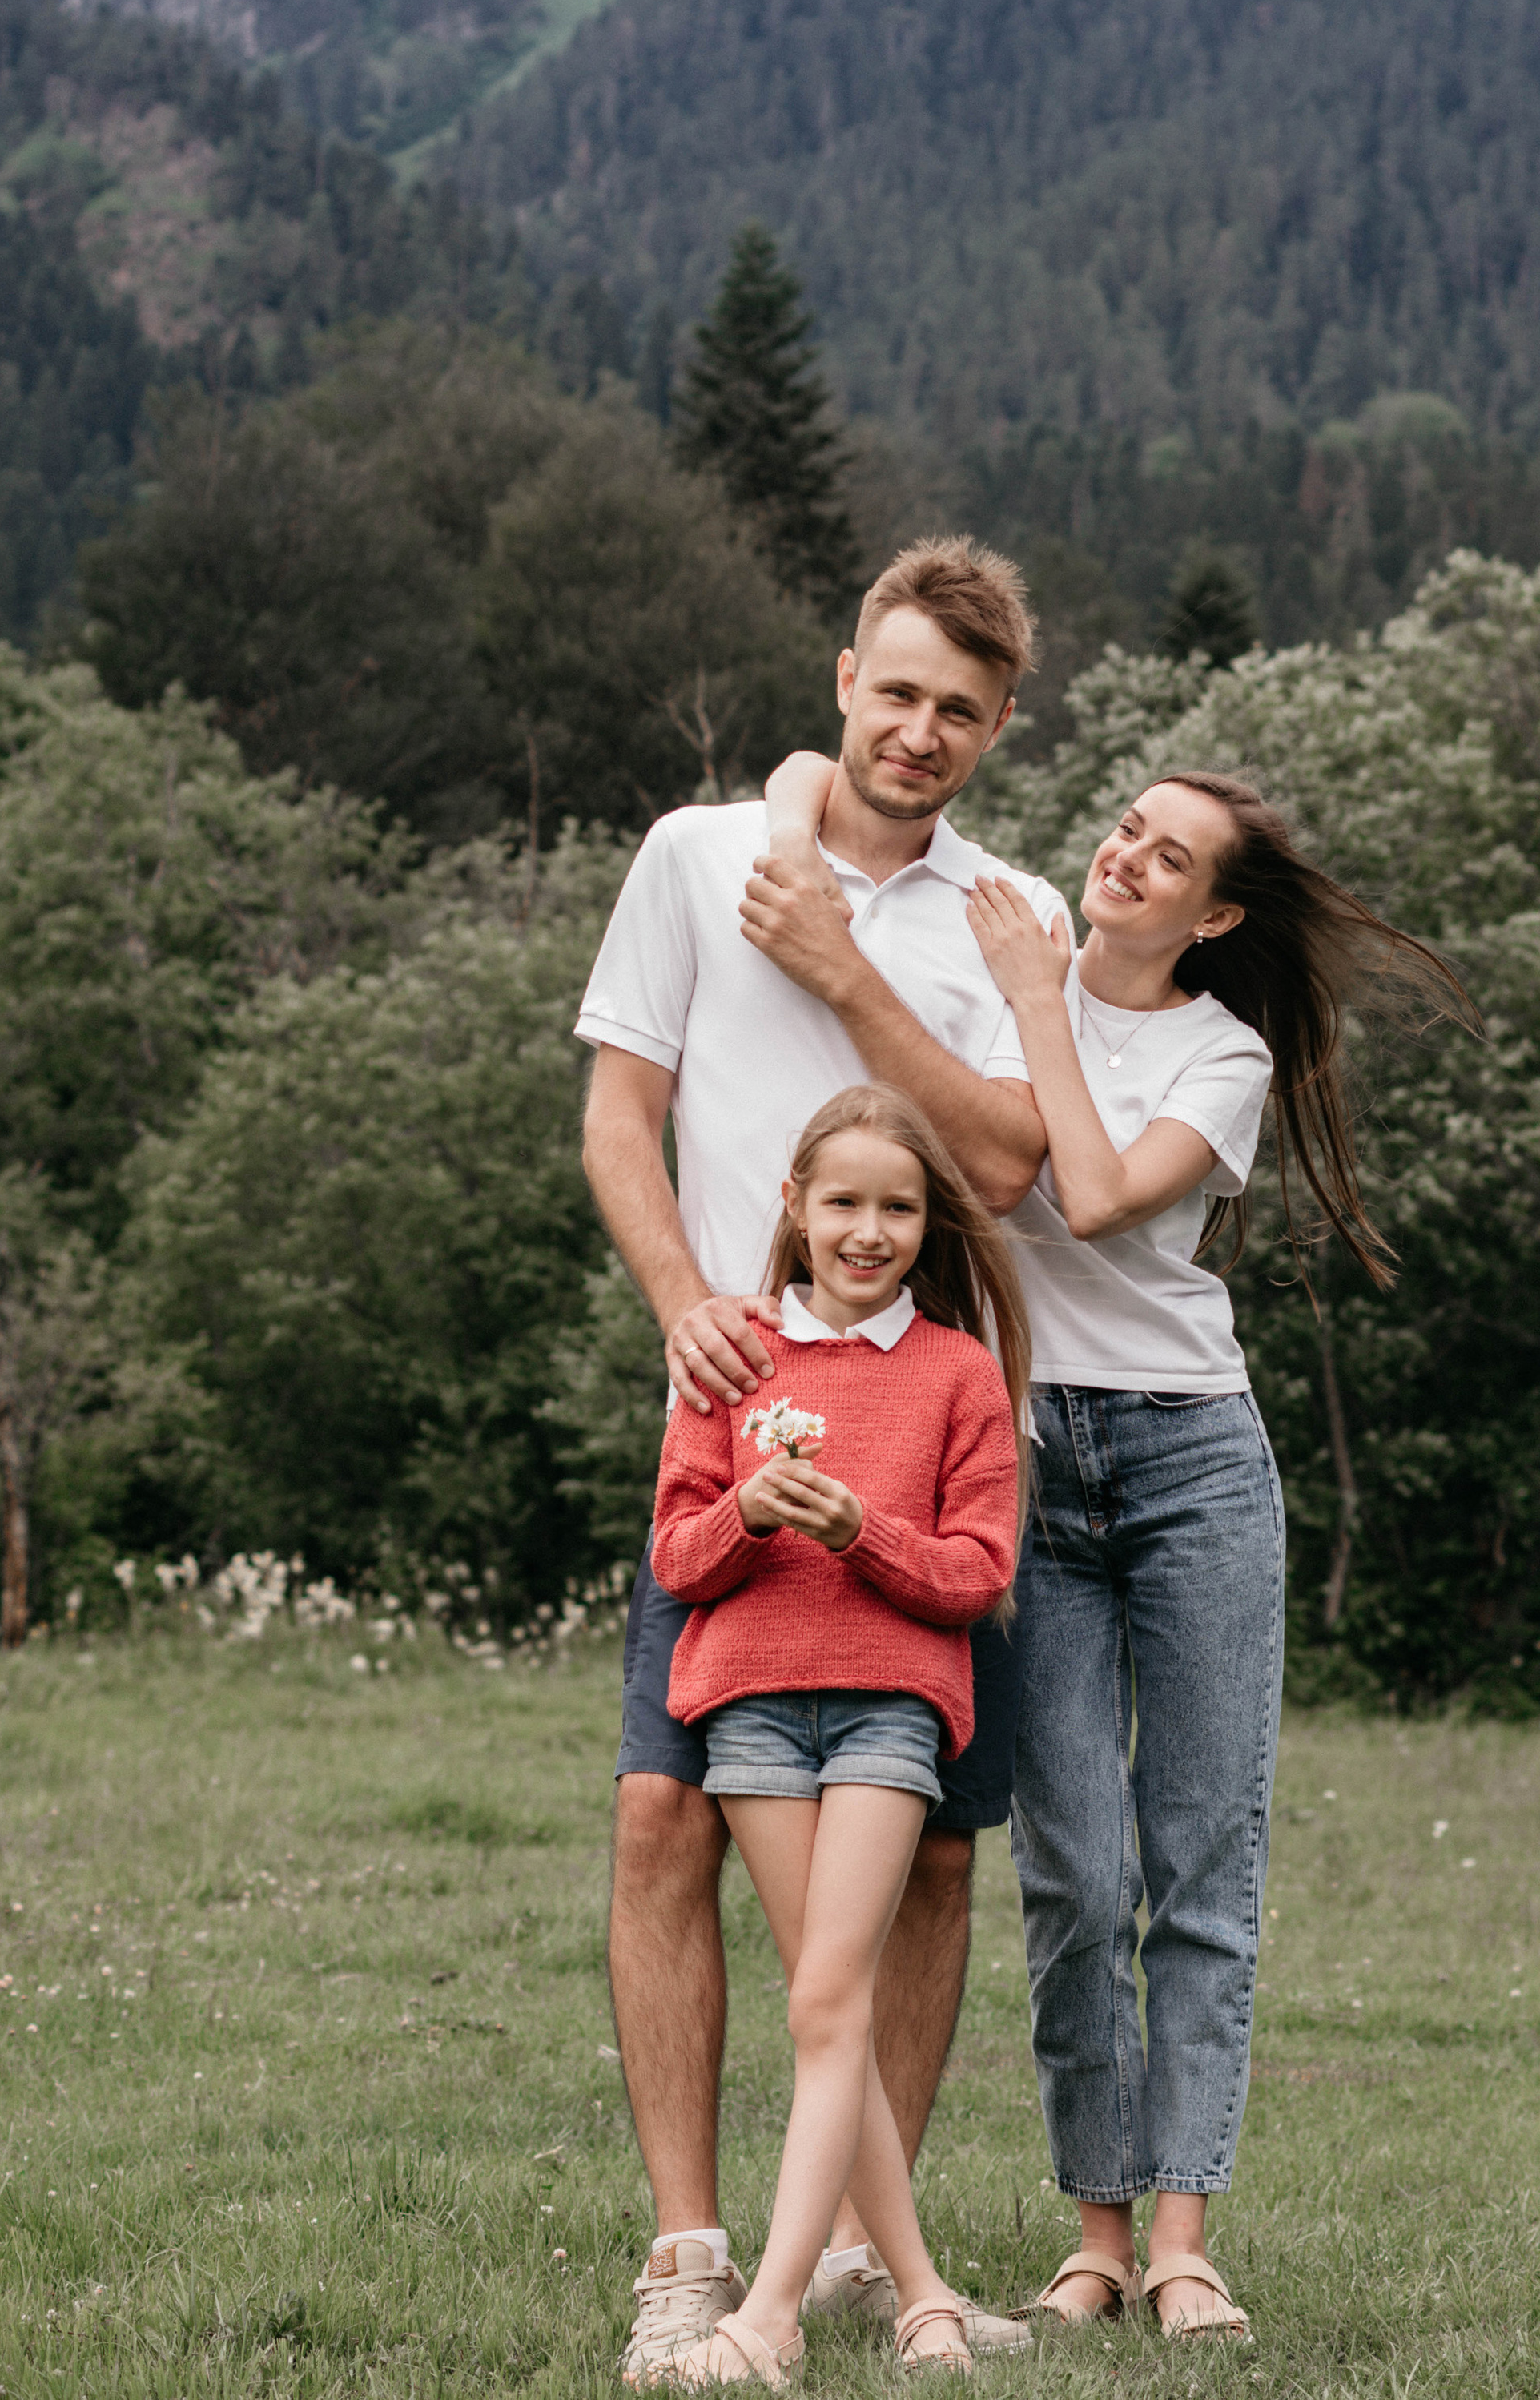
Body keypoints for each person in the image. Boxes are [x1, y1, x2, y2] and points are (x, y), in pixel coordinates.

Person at [576, 536, 1066, 2382]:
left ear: (998, 726)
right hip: (736, 1421)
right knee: (658, 1814)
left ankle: (868, 2249)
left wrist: (849, 974)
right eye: (897, 688)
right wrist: (683, 1300)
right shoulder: (700, 855)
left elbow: (1009, 1166)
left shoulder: (999, 912)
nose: (920, 729)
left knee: (933, 1856)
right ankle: (690, 2253)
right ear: (843, 673)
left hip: (922, 1432)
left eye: (961, 708)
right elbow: (622, 1107)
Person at [963, 769, 1470, 2342]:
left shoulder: (1218, 1049)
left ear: (1217, 913)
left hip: (1189, 1460)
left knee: (1198, 1858)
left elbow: (1102, 1198)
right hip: (1029, 1457)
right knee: (1070, 1869)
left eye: (1166, 856)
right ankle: (1092, 2238)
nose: (1123, 857)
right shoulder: (997, 978)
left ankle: (1181, 2237)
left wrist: (1037, 1001)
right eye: (1122, 828)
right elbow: (976, 1177)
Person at [646, 1085, 1032, 2386]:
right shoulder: (733, 1355)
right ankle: (920, 2295)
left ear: (931, 1225)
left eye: (900, 1208)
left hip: (889, 1706)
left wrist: (852, 1527)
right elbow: (677, 1561)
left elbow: (978, 1576)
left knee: (824, 1997)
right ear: (795, 1208)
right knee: (830, 2011)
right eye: (846, 1203)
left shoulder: (957, 1373)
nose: (869, 1231)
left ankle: (766, 2321)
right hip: (750, 1708)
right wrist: (751, 1509)